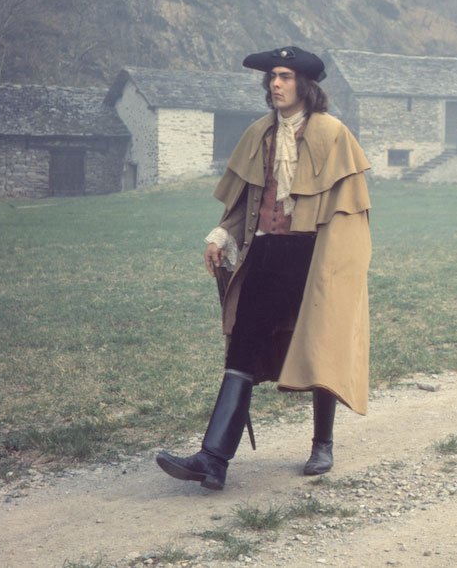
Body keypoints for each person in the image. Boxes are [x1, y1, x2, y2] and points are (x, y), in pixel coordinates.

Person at [156, 46, 372, 491]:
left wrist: (339, 271)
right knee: (242, 349)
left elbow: (350, 215)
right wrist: (222, 236)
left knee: (319, 343)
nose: (275, 84)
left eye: (285, 76)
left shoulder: (334, 135)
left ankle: (322, 443)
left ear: (306, 86)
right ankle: (213, 459)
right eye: (272, 76)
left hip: (314, 257)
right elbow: (245, 203)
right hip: (266, 254)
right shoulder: (259, 134)